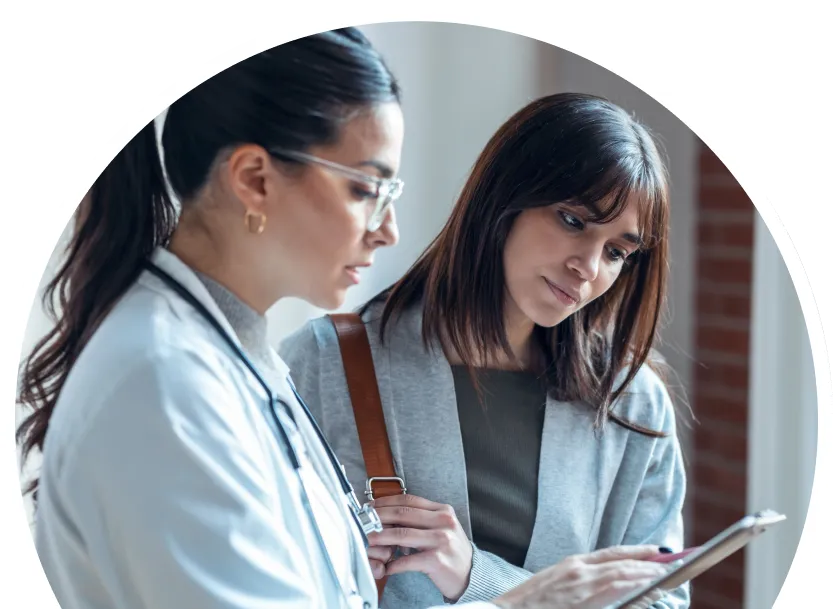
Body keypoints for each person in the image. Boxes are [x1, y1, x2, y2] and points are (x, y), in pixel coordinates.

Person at [16, 28, 672, 609]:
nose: (388, 231)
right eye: (364, 187)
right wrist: (521, 600)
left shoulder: (233, 361)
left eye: (618, 251)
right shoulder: (167, 379)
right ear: (254, 178)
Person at [279, 92, 690, 609]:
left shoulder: (631, 403)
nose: (587, 267)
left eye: (616, 252)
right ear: (504, 199)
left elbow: (662, 601)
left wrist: (479, 576)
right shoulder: (325, 363)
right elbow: (270, 578)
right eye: (572, 220)